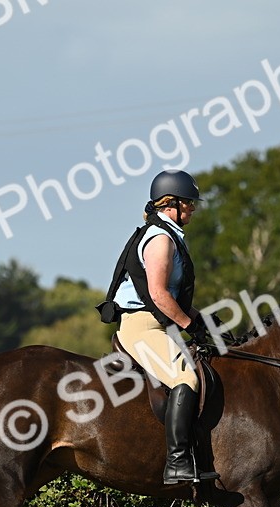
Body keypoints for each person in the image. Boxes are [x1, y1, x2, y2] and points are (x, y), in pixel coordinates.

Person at [96, 169, 216, 484]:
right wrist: (190, 324)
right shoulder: (160, 239)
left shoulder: (169, 235)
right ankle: (176, 463)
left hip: (158, 325)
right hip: (141, 327)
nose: (193, 208)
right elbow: (159, 295)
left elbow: (171, 297)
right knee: (185, 379)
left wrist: (202, 319)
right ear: (171, 203)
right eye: (189, 203)